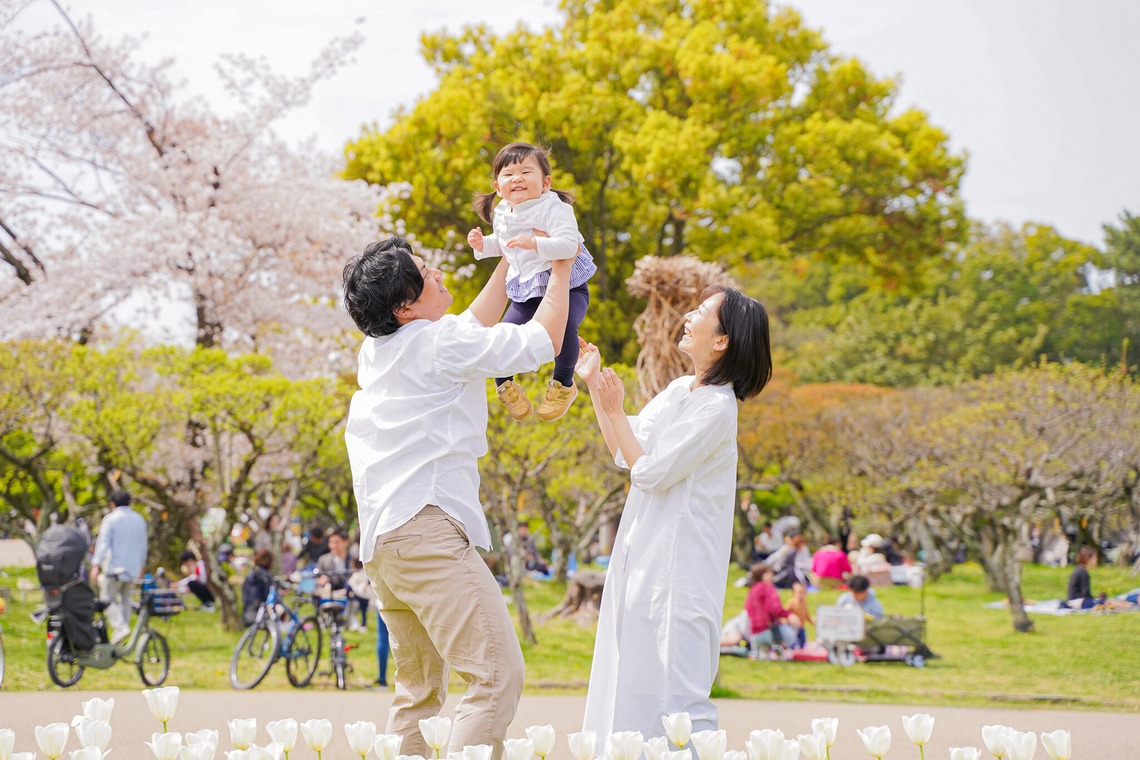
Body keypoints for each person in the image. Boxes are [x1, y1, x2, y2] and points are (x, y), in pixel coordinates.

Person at [342, 235, 574, 759]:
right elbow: (546, 338)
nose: (439, 272)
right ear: (405, 305)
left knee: (419, 692)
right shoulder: (438, 344)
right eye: (426, 271)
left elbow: (471, 325)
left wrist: (514, 257)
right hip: (426, 533)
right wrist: (561, 264)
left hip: (384, 545)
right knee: (495, 676)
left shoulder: (379, 349)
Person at [577, 285, 773, 739]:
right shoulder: (680, 389)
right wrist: (596, 389)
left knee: (681, 702)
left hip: (681, 571)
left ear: (722, 341)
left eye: (702, 312)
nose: (689, 316)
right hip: (644, 563)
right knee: (635, 685)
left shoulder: (717, 408)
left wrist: (614, 408)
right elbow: (627, 454)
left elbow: (650, 474)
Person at [468, 141, 597, 422]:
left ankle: (563, 384)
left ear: (546, 182)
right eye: (508, 174)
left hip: (569, 287)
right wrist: (482, 245)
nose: (517, 178)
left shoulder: (554, 208)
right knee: (502, 335)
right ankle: (505, 385)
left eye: (526, 172)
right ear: (497, 186)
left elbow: (569, 245)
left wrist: (535, 243)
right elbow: (505, 245)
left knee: (564, 329)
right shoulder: (503, 211)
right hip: (526, 289)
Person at [89, 489, 148, 645]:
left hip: (114, 568)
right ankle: (122, 635)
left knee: (106, 599)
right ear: (129, 503)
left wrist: (95, 565)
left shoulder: (110, 519)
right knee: (126, 600)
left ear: (112, 504)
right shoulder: (139, 519)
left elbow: (103, 543)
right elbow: (143, 545)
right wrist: (142, 564)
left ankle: (121, 628)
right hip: (133, 568)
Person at [744, 564, 796, 653]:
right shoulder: (768, 587)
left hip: (754, 635)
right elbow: (774, 608)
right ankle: (781, 650)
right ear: (763, 575)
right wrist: (789, 615)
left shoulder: (752, 591)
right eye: (769, 573)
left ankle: (764, 651)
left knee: (762, 655)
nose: (772, 575)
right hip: (769, 632)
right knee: (791, 634)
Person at [241, 548, 275, 626]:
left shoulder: (250, 574)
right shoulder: (266, 577)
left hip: (247, 613)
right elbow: (269, 598)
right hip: (260, 614)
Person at [785, 581, 813, 648]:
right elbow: (785, 612)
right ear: (794, 593)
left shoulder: (804, 603)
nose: (801, 595)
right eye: (799, 593)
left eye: (803, 593)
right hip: (792, 627)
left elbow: (806, 615)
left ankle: (801, 650)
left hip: (801, 627)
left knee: (803, 639)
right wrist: (785, 620)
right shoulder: (792, 602)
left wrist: (811, 621)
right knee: (792, 639)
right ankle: (790, 648)